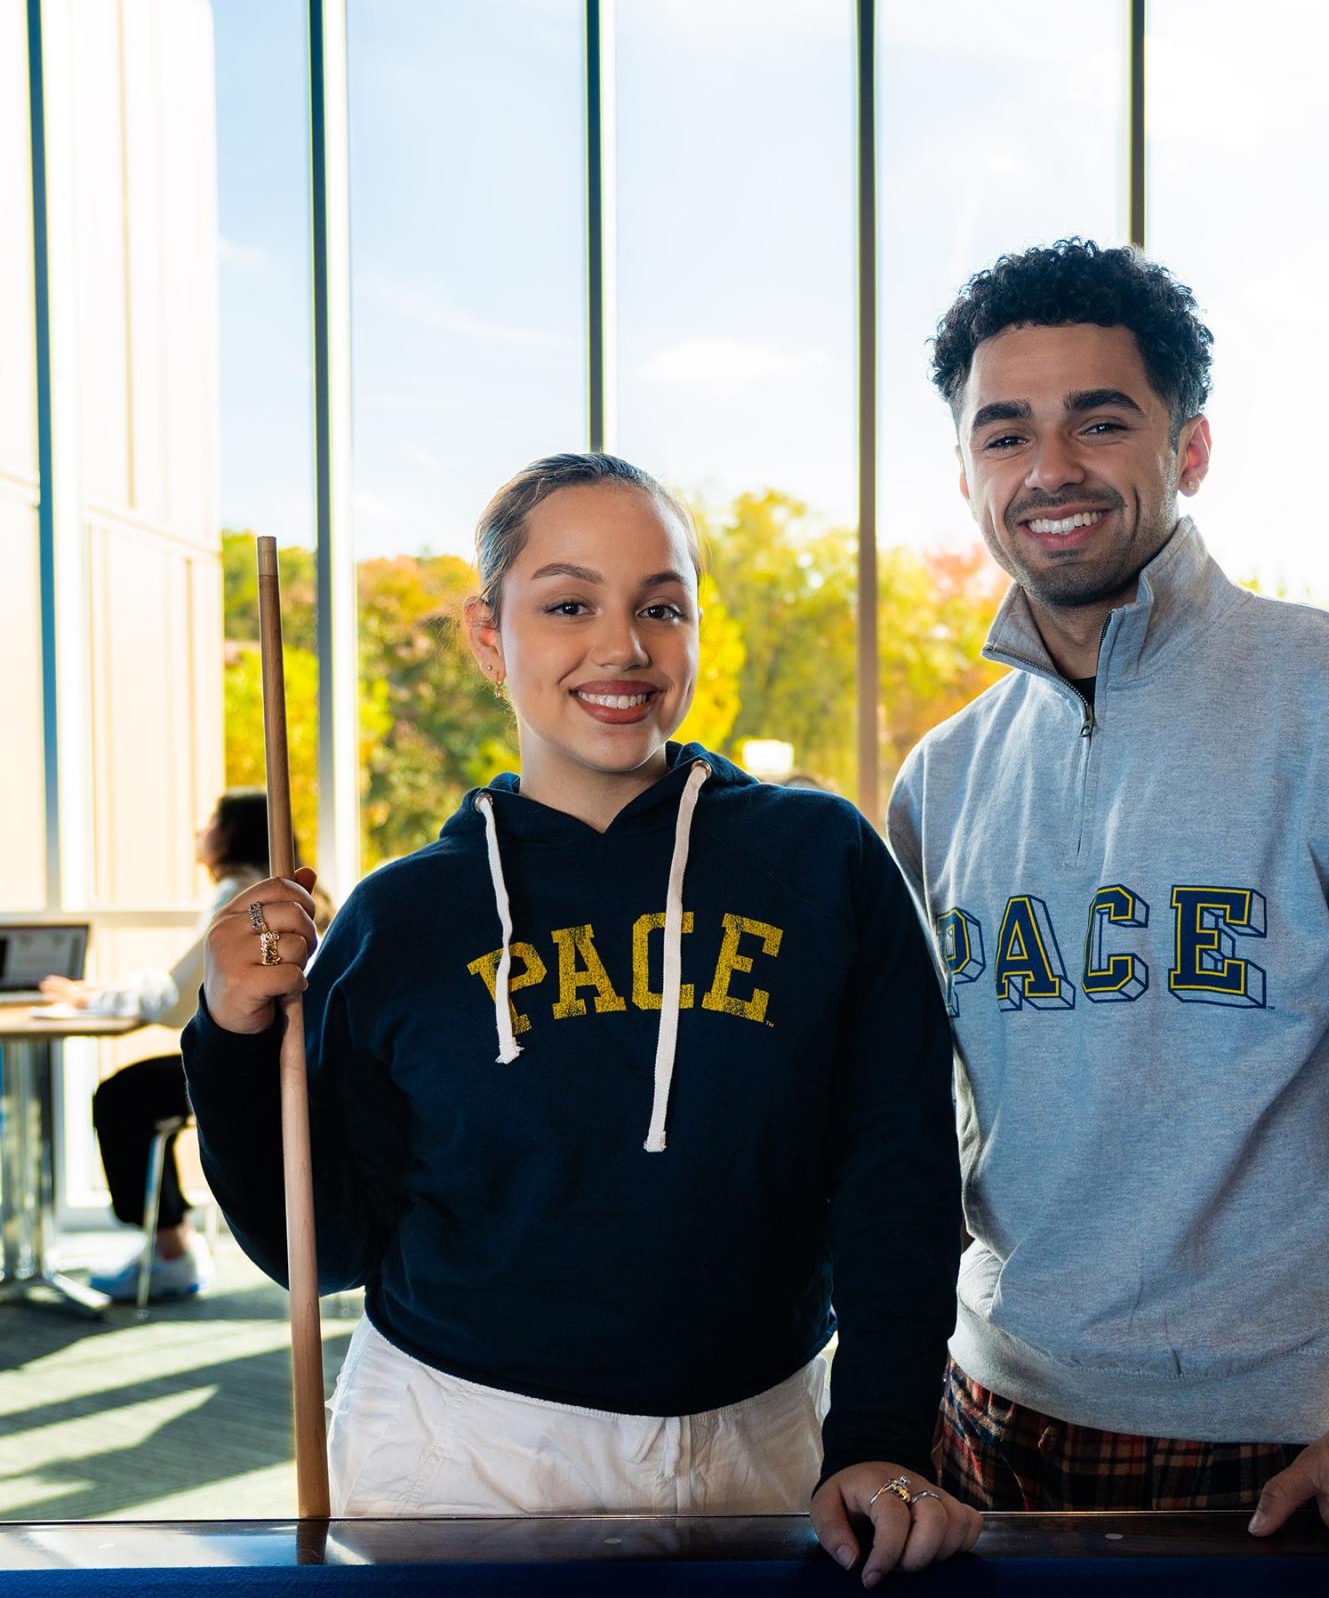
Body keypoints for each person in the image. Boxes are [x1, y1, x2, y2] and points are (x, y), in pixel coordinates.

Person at [182, 452, 979, 1581]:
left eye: (661, 605)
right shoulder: (399, 917)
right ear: (486, 637)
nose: (623, 647)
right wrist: (230, 1032)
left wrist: (887, 1436)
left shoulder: (825, 861)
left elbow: (896, 1172)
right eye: (567, 604)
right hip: (463, 1454)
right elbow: (322, 1244)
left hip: (767, 1437)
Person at [886, 239, 1329, 1544]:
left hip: (1287, 1443)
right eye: (1005, 432)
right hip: (982, 1421)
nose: (1051, 469)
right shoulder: (941, 779)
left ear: (1188, 451)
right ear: (968, 471)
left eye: (1101, 421)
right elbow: (914, 1132)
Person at [39, 791, 290, 1301]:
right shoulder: (282, 893)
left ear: (233, 833)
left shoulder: (240, 897)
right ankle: (174, 1244)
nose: (202, 829)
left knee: (121, 1098)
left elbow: (179, 1000)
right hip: (283, 1054)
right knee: (143, 1093)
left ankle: (172, 1250)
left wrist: (96, 996)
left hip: (253, 1062)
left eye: (213, 820)